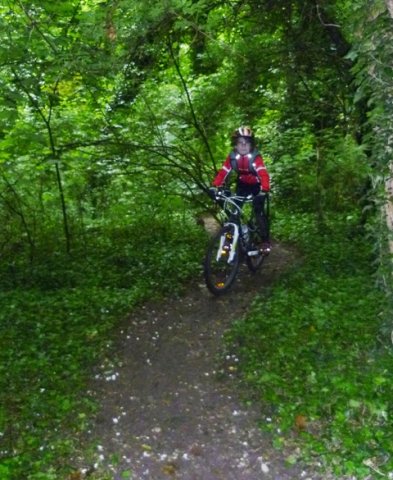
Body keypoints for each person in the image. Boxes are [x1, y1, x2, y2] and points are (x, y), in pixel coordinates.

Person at [210, 126, 271, 253]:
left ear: (251, 145)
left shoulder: (255, 158)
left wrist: (264, 189)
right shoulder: (232, 157)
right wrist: (215, 186)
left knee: (258, 211)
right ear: (236, 145)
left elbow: (263, 174)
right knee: (234, 213)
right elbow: (223, 172)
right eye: (240, 143)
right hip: (242, 185)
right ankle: (229, 240)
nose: (243, 146)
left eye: (246, 143)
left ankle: (265, 241)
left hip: (256, 186)